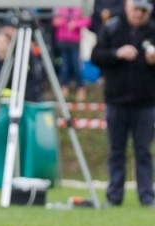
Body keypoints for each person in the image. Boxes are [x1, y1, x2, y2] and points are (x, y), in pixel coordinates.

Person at [90, 0, 155, 207]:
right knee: (116, 151)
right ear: (128, 7)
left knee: (143, 151)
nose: (139, 14)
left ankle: (146, 195)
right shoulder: (112, 28)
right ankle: (114, 196)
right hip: (116, 100)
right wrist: (116, 53)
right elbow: (96, 56)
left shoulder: (153, 31)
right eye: (137, 9)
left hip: (145, 102)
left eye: (144, 11)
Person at [52, 6, 91, 101]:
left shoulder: (80, 6)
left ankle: (80, 87)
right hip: (62, 40)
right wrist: (62, 22)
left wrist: (75, 24)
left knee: (76, 64)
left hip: (74, 41)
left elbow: (87, 21)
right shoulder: (60, 6)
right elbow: (54, 21)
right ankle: (64, 86)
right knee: (64, 65)